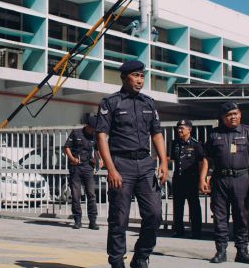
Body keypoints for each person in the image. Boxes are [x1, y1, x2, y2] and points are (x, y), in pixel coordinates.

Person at [96, 60, 169, 268]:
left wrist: (163, 161)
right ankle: (117, 261)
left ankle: (141, 256)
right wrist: (111, 169)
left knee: (155, 215)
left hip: (145, 165)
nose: (140, 80)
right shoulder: (111, 103)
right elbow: (102, 136)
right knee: (119, 219)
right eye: (135, 76)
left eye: (142, 76)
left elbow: (156, 134)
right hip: (121, 165)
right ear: (124, 77)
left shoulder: (149, 102)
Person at [200, 102, 249, 265]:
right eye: (229, 115)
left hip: (241, 179)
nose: (233, 117)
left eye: (235, 113)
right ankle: (221, 251)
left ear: (240, 114)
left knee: (241, 216)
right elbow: (207, 158)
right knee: (220, 217)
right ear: (223, 118)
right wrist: (202, 178)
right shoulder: (214, 134)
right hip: (220, 180)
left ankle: (242, 251)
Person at [64, 115, 101, 230]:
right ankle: (77, 221)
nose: (93, 130)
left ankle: (93, 221)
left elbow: (98, 149)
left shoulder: (95, 136)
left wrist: (101, 160)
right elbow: (66, 147)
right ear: (87, 126)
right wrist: (72, 158)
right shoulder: (76, 133)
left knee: (91, 195)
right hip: (76, 167)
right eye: (92, 128)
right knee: (76, 195)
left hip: (88, 167)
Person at [168, 119, 203, 239]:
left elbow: (201, 163)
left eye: (182, 128)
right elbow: (173, 159)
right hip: (178, 179)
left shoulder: (196, 144)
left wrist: (201, 179)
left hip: (191, 180)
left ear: (189, 129)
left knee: (194, 206)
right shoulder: (175, 143)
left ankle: (196, 231)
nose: (179, 130)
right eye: (178, 128)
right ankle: (179, 230)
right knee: (178, 206)